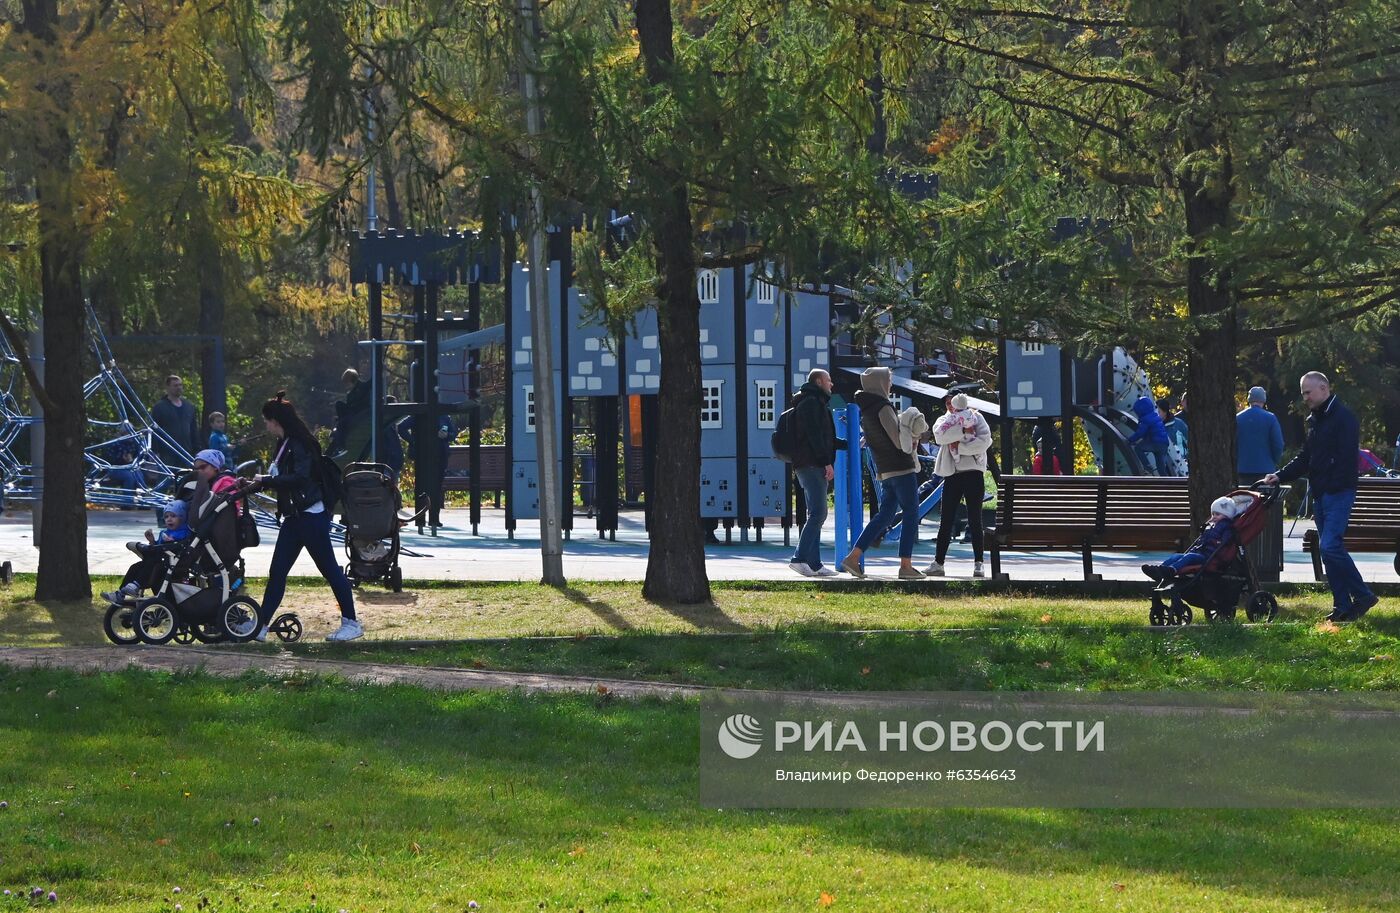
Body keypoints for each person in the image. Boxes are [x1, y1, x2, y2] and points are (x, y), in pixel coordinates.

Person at [1264, 372, 1377, 622]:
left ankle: (1363, 595)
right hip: (1324, 493)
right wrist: (1279, 476)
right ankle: (1342, 606)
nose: (1305, 398)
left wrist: (1328, 487)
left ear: (1323, 388)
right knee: (1328, 551)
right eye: (1303, 393)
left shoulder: (1343, 418)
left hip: (1337, 492)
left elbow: (1346, 460)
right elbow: (1307, 457)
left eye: (1308, 392)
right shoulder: (1315, 418)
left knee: (1330, 546)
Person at [251, 392, 362, 642]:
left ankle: (351, 622)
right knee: (277, 571)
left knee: (330, 570)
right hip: (295, 517)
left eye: (266, 421)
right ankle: (260, 625)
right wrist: (258, 483)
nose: (265, 426)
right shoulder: (284, 444)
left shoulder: (299, 444)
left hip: (311, 517)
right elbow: (282, 479)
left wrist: (268, 481)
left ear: (275, 420)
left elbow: (301, 478)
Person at [839, 367, 925, 579]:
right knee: (911, 513)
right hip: (901, 467)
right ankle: (905, 565)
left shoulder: (866, 409)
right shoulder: (883, 407)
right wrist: (912, 440)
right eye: (888, 380)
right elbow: (898, 441)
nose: (890, 385)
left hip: (885, 470)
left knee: (884, 516)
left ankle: (853, 557)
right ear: (879, 383)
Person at [926, 393, 993, 578]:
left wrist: (958, 446)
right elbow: (940, 437)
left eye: (952, 403)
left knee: (975, 519)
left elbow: (984, 441)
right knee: (945, 519)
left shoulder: (976, 416)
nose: (951, 407)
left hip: (973, 472)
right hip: (952, 474)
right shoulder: (943, 420)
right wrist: (964, 433)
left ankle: (979, 563)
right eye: (947, 403)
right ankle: (938, 562)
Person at [786, 369, 837, 577]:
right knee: (819, 513)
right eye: (828, 380)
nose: (831, 384)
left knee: (814, 514)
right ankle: (799, 558)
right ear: (818, 382)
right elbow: (815, 436)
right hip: (811, 464)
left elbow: (823, 437)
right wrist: (826, 462)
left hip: (808, 463)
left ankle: (814, 563)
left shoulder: (812, 402)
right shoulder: (812, 403)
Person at [101, 498, 191, 603]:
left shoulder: (185, 532)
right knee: (136, 566)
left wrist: (172, 541)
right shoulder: (165, 533)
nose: (169, 519)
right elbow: (158, 547)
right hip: (161, 560)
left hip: (170, 564)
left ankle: (136, 585)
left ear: (182, 517)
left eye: (173, 516)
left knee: (151, 563)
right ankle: (120, 594)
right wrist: (152, 541)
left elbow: (180, 547)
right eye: (166, 517)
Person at [1141, 495, 1241, 579]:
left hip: (1209, 556)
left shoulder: (1227, 526)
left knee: (1189, 556)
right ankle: (1160, 570)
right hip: (1199, 552)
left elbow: (1227, 539)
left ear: (1227, 515)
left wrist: (1219, 542)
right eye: (1213, 514)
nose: (1214, 516)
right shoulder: (1211, 526)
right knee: (1177, 556)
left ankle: (1172, 570)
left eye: (1217, 514)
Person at [1236, 386, 1283, 487]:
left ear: (1249, 400)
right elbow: (1278, 444)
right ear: (1263, 400)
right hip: (1266, 470)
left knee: (1245, 500)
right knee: (1266, 501)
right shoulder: (1271, 418)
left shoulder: (1238, 418)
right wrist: (1274, 461)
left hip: (1242, 469)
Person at [150, 374, 199, 464]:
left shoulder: (189, 406)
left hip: (186, 452)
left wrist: (197, 450)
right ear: (168, 387)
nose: (179, 388)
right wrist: (155, 451)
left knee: (186, 477)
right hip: (167, 453)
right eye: (175, 385)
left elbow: (193, 429)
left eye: (180, 385)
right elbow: (154, 430)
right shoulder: (160, 407)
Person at [1127, 394, 1173, 475]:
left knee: (1138, 448)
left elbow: (1140, 433)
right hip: (1164, 445)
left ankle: (1147, 467)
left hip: (1155, 443)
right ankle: (1168, 483)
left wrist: (1130, 440)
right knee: (1161, 467)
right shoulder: (1156, 416)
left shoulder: (1145, 419)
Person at [1159, 398, 1189, 471]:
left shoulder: (1179, 424)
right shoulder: (1153, 427)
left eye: (1158, 411)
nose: (1156, 414)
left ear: (1165, 411)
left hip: (1181, 466)